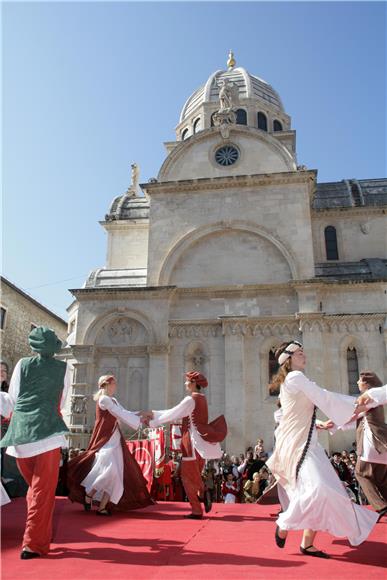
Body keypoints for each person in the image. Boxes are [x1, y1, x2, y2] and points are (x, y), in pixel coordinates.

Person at [266, 340, 378, 559]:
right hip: (298, 447)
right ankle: (284, 523)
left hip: (308, 444)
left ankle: (307, 544)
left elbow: (291, 414)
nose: (304, 355)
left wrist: (319, 424)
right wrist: (359, 404)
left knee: (328, 491)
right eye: (299, 353)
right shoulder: (295, 378)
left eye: (303, 351)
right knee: (318, 490)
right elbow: (324, 397)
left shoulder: (294, 381)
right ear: (288, 360)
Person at [0, 326, 70, 559]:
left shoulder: (22, 364)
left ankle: (40, 532)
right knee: (41, 491)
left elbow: (12, 400)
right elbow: (64, 401)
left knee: (36, 490)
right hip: (48, 434)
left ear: (33, 346)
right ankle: (34, 543)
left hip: (21, 435)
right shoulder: (65, 368)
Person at [67, 375, 152, 515]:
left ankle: (102, 506)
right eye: (114, 383)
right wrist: (139, 419)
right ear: (106, 385)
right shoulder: (104, 399)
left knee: (116, 476)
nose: (116, 386)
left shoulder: (113, 400)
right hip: (106, 441)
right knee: (109, 472)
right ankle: (90, 494)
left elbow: (124, 412)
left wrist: (140, 414)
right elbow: (119, 413)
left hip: (115, 440)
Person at [148, 371, 227, 519]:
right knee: (195, 472)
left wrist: (152, 419)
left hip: (191, 441)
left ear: (192, 383)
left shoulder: (190, 400)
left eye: (187, 381)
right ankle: (203, 493)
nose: (185, 384)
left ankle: (198, 505)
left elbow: (172, 413)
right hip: (203, 443)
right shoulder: (202, 399)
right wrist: (154, 415)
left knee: (186, 476)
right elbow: (175, 413)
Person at [329, 371, 387, 519]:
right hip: (381, 446)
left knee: (360, 473)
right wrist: (334, 424)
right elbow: (353, 419)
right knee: (380, 479)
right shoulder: (374, 399)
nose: (357, 383)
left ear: (367, 384)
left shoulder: (370, 397)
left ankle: (381, 507)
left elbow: (354, 413)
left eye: (359, 381)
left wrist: (333, 422)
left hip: (373, 443)